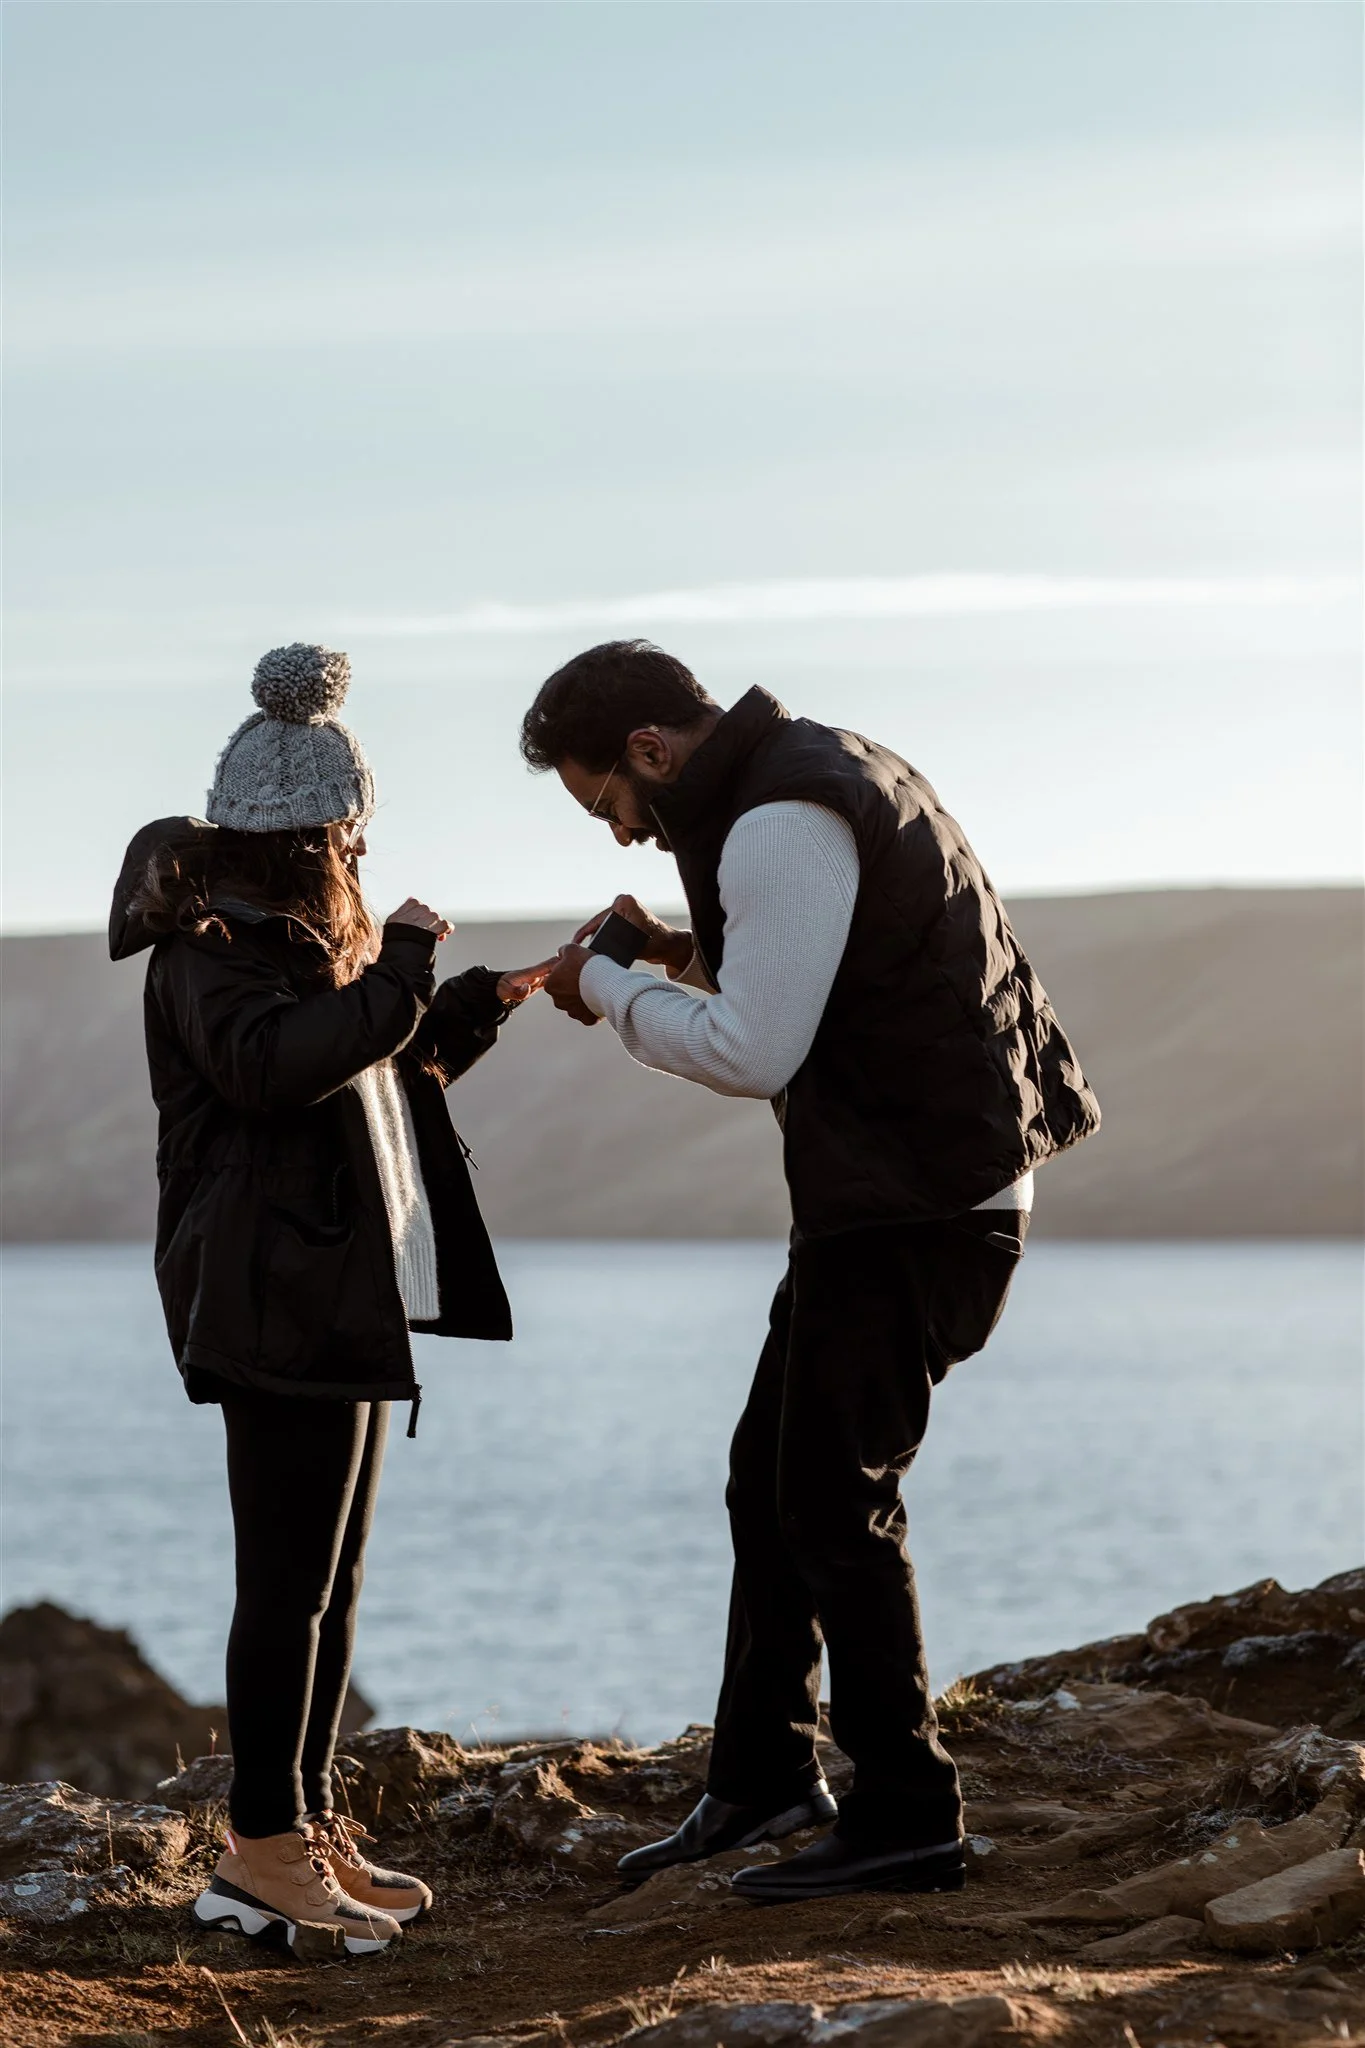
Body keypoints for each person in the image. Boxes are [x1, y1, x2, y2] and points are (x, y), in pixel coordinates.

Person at [523, 640, 1101, 1902]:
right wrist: (676, 952)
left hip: (917, 1201)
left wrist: (611, 985)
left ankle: (909, 1813)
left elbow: (756, 1048)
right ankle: (765, 1774)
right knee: (769, 1473)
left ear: (650, 752)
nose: (619, 835)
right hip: (900, 1191)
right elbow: (816, 973)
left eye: (608, 804)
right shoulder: (808, 774)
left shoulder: (779, 815)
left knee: (835, 1492)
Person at [110, 643, 550, 1955]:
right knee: (283, 1587)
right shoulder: (207, 952)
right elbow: (269, 1071)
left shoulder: (297, 948)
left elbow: (373, 1073)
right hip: (269, 1299)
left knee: (330, 1583)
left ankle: (298, 1829)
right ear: (303, 835)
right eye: (348, 833)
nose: (360, 853)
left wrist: (474, 999)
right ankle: (257, 1852)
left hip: (334, 1291)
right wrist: (403, 966)